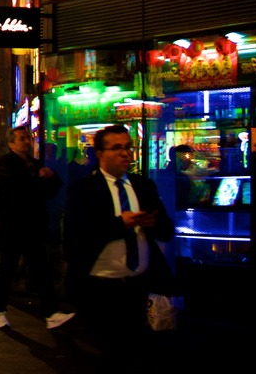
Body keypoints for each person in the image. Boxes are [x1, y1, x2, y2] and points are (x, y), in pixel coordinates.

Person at [62, 124, 173, 365]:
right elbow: (74, 239)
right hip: (99, 286)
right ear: (100, 154)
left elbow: (167, 231)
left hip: (137, 284)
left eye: (128, 147)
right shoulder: (84, 189)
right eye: (117, 148)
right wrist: (119, 224)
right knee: (113, 350)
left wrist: (152, 223)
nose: (125, 153)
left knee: (131, 348)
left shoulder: (143, 186)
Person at [0, 126, 74, 330]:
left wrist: (49, 177)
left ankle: (51, 313)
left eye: (28, 138)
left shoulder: (34, 164)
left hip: (34, 226)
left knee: (41, 268)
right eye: (22, 139)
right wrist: (40, 178)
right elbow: (18, 188)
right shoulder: (7, 164)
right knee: (8, 269)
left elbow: (51, 189)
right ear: (11, 143)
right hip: (13, 226)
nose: (26, 142)